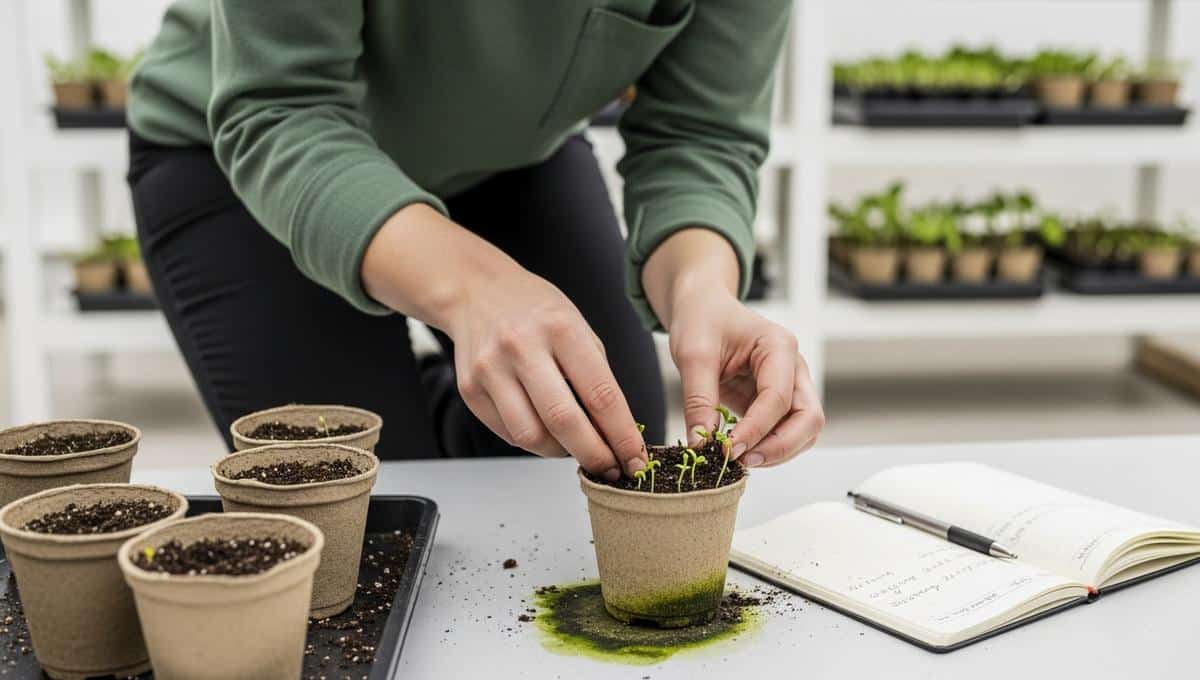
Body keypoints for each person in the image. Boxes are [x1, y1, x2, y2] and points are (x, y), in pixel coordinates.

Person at [125, 0, 824, 478]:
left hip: (507, 157)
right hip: (254, 160)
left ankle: (421, 394)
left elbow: (698, 132)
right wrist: (474, 292)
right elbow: (280, 105)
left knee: (604, 450)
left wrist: (701, 289)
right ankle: (401, 395)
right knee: (371, 511)